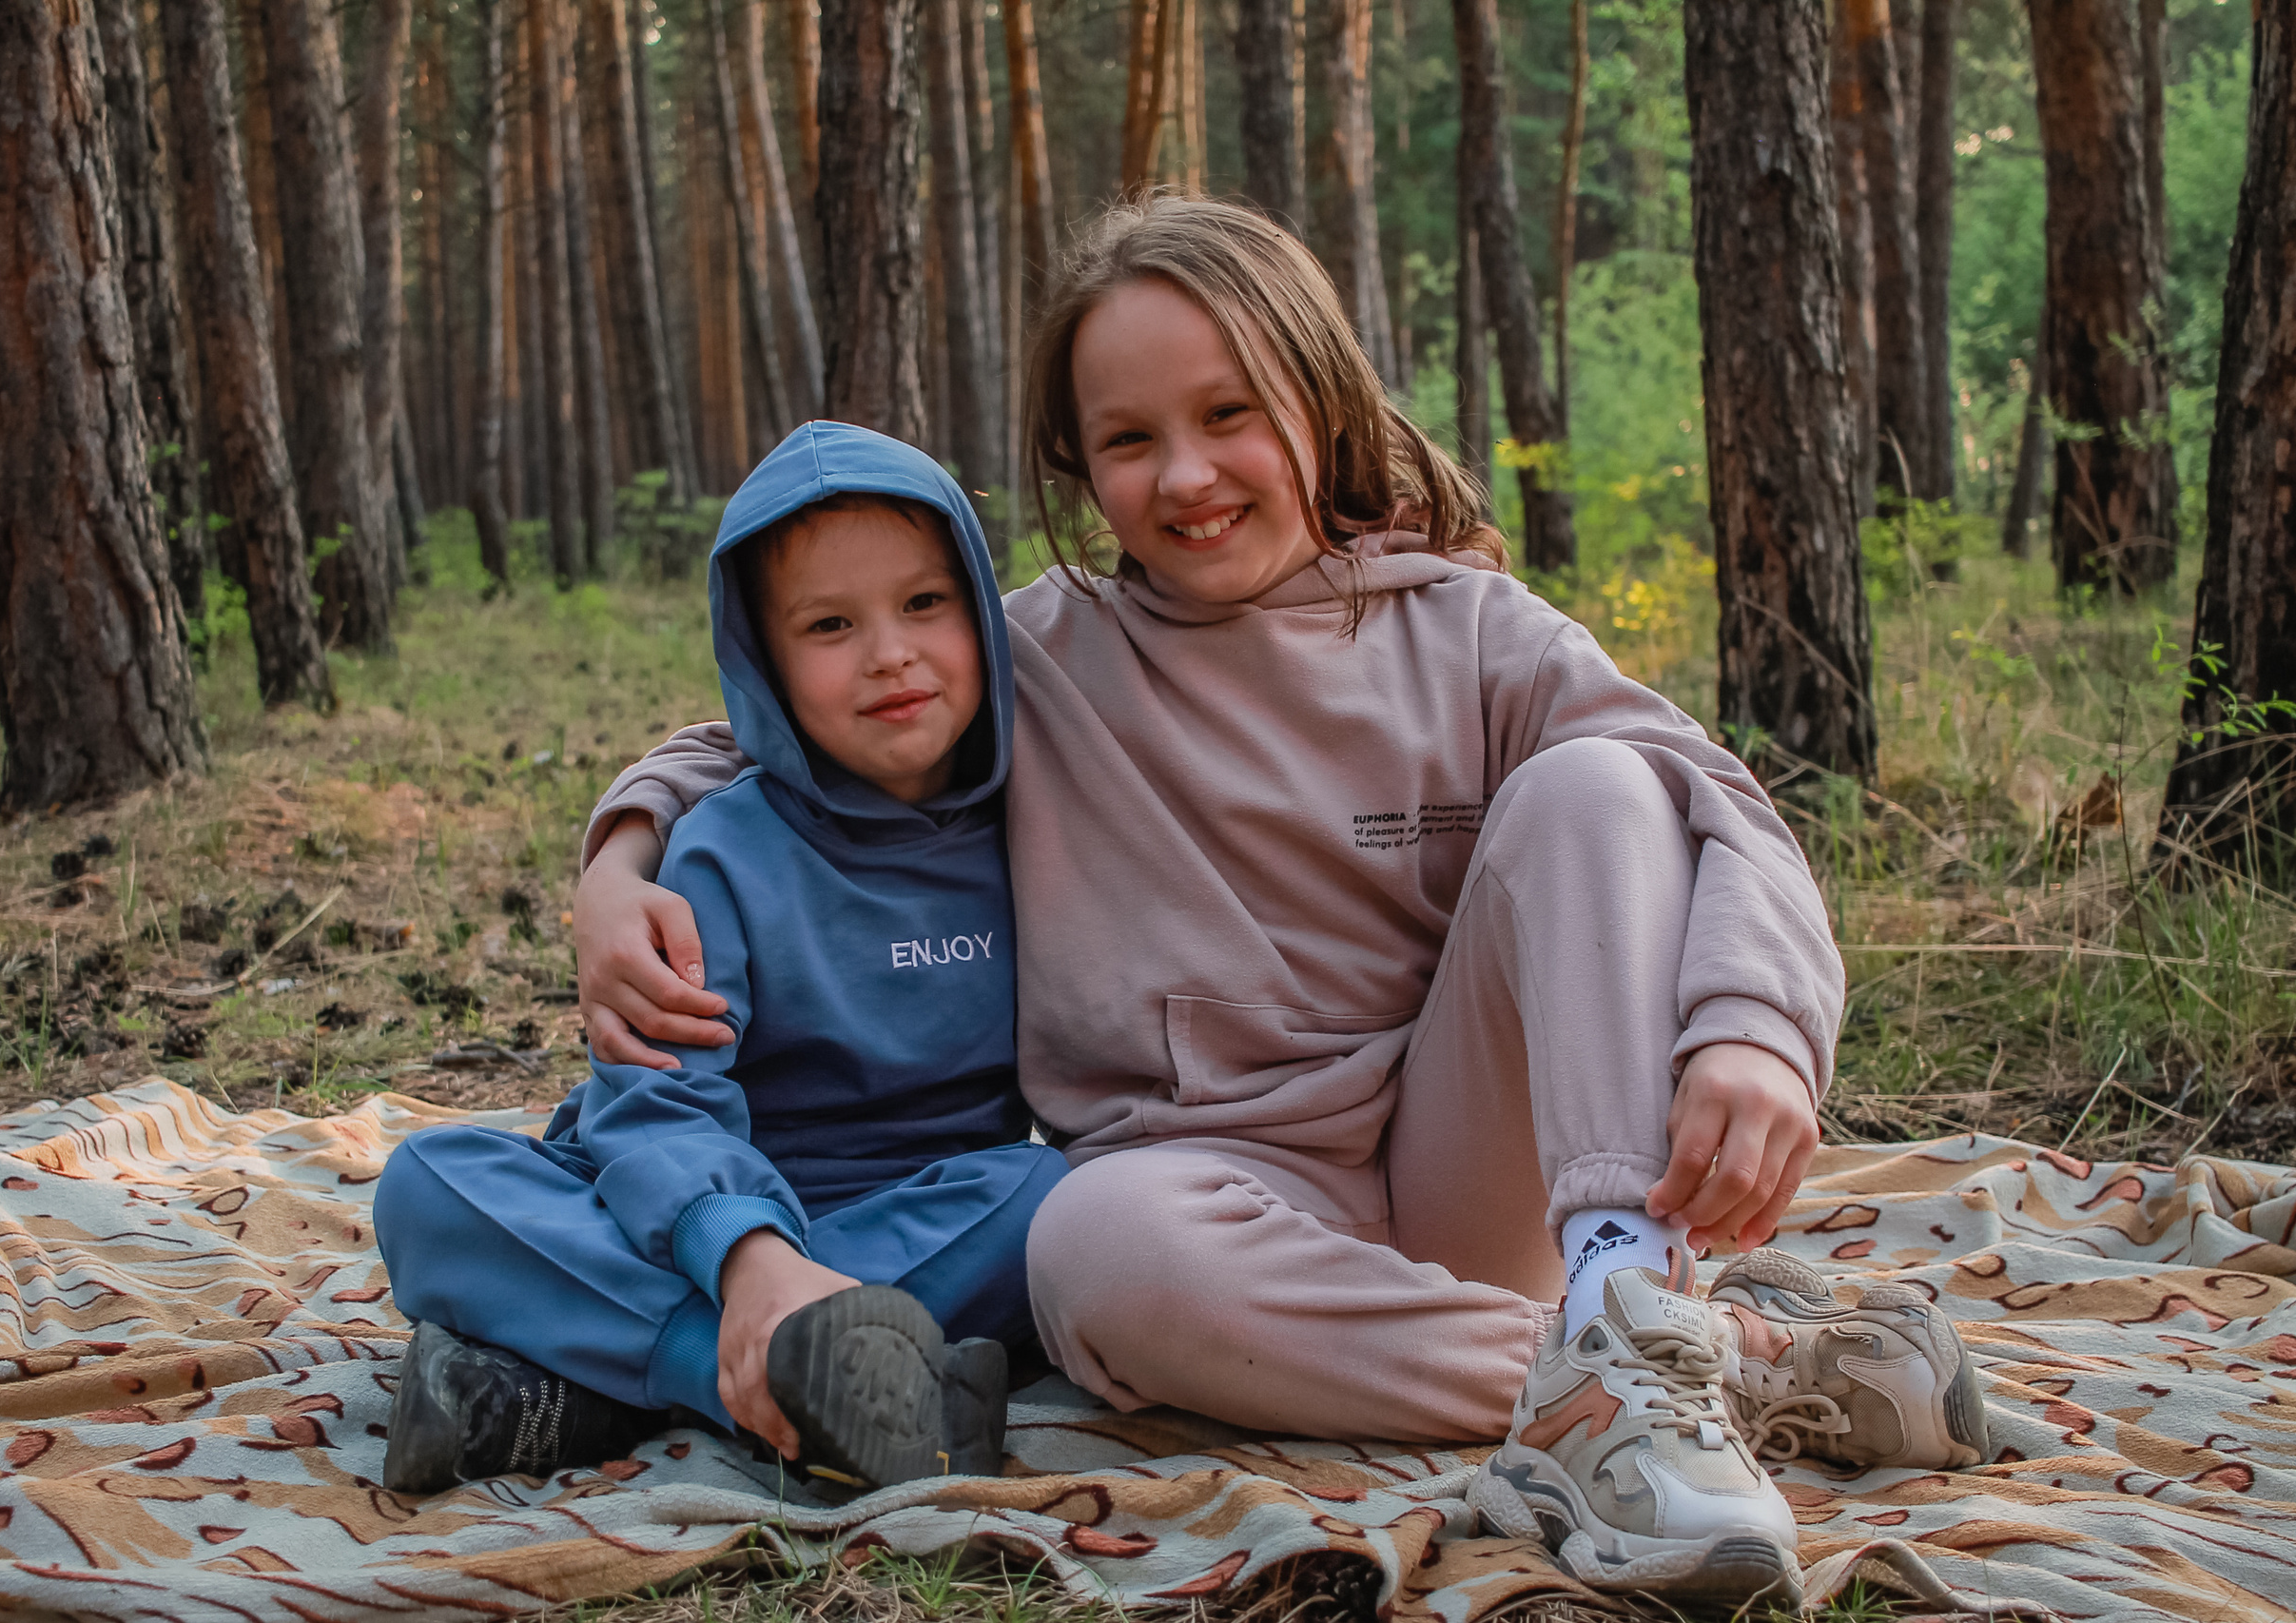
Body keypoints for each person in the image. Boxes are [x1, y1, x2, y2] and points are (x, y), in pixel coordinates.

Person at [572, 197, 1983, 1605]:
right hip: (1217, 1200)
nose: (1186, 476)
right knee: (1088, 1245)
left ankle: (1621, 1283)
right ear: (1079, 462)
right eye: (1129, 440)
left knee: (1600, 786)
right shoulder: (1038, 660)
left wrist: (1752, 1027)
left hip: (1472, 1172)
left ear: (1319, 397)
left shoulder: (1469, 628)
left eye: (1229, 413)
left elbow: (1710, 795)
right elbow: (780, 729)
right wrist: (620, 859)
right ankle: (1692, 1368)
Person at [376, 421, 1066, 1496]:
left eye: (925, 603)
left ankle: (572, 1388)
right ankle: (786, 1380)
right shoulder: (721, 848)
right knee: (429, 1184)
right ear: (764, 660)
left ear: (981, 607)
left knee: (1055, 1197)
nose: (890, 652)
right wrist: (749, 1258)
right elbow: (656, 1103)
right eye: (830, 624)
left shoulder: (1044, 826)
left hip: (922, 1212)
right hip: (697, 1205)